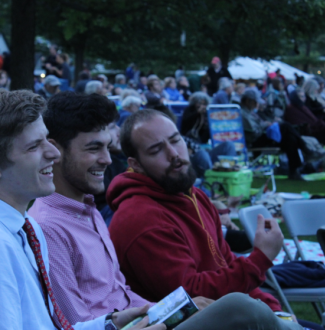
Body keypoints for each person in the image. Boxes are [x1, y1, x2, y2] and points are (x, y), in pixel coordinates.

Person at [30, 93, 301, 330]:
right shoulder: (50, 227)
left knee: (252, 310)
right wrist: (259, 259)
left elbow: (123, 294)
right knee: (241, 309)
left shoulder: (89, 210)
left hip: (148, 319)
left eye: (176, 140)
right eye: (94, 148)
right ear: (53, 149)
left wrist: (179, 307)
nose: (108, 159)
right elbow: (77, 324)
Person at [0, 88, 164, 330]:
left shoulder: (22, 227)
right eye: (34, 146)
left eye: (47, 139)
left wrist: (110, 324)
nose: (54, 153)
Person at [106, 109, 285, 311]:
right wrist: (260, 259)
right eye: (156, 150)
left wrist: (274, 310)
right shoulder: (140, 219)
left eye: (176, 140)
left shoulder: (194, 196)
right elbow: (190, 295)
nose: (173, 153)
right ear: (136, 165)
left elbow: (225, 263)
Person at [240, 90, 307, 179]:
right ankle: (305, 149)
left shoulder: (250, 112)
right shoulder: (242, 113)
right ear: (248, 101)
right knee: (285, 126)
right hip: (255, 140)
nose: (257, 105)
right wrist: (266, 124)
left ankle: (294, 170)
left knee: (290, 139)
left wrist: (268, 123)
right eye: (255, 102)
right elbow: (253, 131)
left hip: (261, 137)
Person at [286, 90, 325, 156]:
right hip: (308, 132)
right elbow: (300, 123)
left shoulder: (302, 106)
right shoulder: (291, 109)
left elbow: (312, 119)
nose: (304, 98)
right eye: (301, 96)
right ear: (296, 97)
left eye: (304, 96)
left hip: (314, 128)